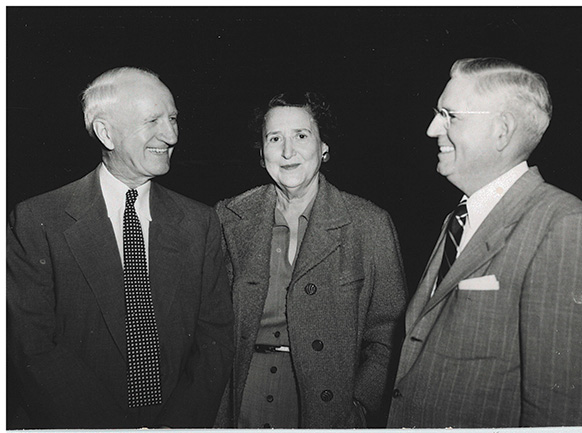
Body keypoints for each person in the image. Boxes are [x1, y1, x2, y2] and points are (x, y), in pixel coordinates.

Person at [7, 67, 234, 429]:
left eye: (173, 118)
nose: (171, 134)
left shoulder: (199, 222)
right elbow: (32, 348)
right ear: (106, 132)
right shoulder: (37, 220)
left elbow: (214, 343)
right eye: (153, 120)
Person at [387, 57, 582, 428]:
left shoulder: (565, 227)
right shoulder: (459, 218)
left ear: (501, 130)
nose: (431, 128)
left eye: (450, 115)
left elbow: (565, 412)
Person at [213, 91, 406, 428]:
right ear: (261, 152)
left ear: (324, 147)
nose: (288, 152)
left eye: (301, 136)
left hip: (328, 407)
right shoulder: (228, 218)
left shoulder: (369, 223)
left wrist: (359, 405)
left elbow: (390, 332)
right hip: (240, 400)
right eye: (275, 139)